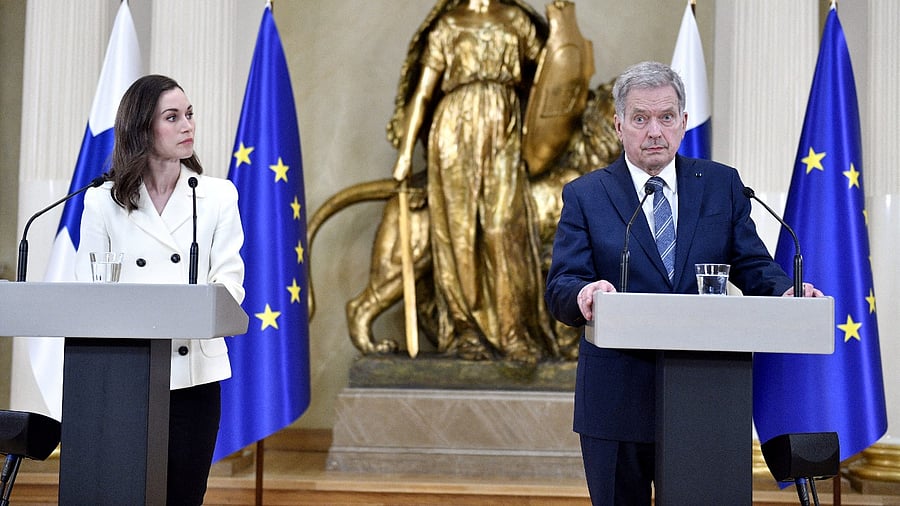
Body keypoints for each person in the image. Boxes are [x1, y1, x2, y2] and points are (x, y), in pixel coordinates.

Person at [544, 61, 823, 504]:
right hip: (616, 403)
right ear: (618, 125)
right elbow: (560, 287)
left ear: (684, 122)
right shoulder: (587, 195)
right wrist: (583, 293)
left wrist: (785, 293)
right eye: (640, 118)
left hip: (705, 401)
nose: (654, 130)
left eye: (666, 117)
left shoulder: (721, 185)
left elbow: (754, 266)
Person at [75, 74, 245, 505]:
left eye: (189, 114)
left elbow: (230, 285)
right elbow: (88, 290)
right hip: (124, 377)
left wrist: (189, 310)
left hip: (194, 378)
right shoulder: (101, 200)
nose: (188, 125)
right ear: (141, 128)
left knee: (182, 497)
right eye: (173, 117)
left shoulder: (219, 196)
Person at [389, 0, 555, 362]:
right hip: (453, 130)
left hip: (503, 125)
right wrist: (404, 153)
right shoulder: (449, 25)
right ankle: (467, 332)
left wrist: (562, 25)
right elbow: (423, 93)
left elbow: (551, 74)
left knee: (502, 229)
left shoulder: (515, 20)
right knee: (458, 233)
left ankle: (514, 331)